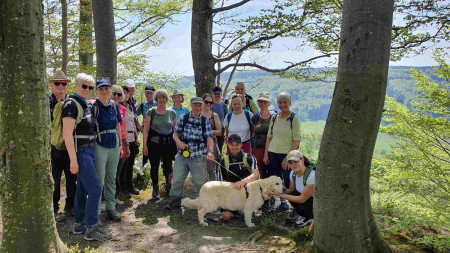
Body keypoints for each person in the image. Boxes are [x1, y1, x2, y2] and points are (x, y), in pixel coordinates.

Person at [64, 73, 111, 241]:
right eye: (84, 86)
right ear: (76, 86)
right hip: (81, 152)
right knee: (96, 188)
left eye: (91, 87)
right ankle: (92, 227)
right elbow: (67, 135)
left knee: (82, 189)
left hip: (90, 151)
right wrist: (73, 160)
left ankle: (80, 224)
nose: (88, 90)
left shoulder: (84, 104)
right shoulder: (71, 104)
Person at [166, 97, 215, 210]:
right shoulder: (184, 118)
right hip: (182, 155)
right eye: (195, 105)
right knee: (177, 179)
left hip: (198, 156)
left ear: (202, 106)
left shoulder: (205, 121)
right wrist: (178, 142)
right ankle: (175, 201)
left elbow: (209, 138)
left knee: (201, 181)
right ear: (191, 106)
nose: (198, 107)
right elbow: (175, 134)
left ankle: (204, 203)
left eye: (199, 105)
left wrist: (210, 151)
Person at [264, 92, 301, 213]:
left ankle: (297, 209)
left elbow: (296, 140)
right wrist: (266, 154)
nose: (283, 104)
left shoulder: (293, 118)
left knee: (289, 181)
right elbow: (269, 137)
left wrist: (288, 157)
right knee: (274, 181)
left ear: (289, 103)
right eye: (280, 102)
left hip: (287, 155)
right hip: (273, 153)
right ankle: (280, 203)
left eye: (285, 102)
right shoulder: (274, 117)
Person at [93, 78, 123, 222]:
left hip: (114, 145)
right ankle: (96, 212)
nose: (104, 92)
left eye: (106, 89)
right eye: (101, 89)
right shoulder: (94, 107)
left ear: (110, 90)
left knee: (111, 178)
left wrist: (121, 146)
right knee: (99, 179)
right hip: (100, 145)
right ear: (97, 91)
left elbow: (118, 125)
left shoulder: (115, 106)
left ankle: (111, 208)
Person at [49, 70, 76, 221]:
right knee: (55, 179)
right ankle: (54, 208)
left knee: (72, 178)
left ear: (67, 86)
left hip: (70, 148)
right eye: (57, 83)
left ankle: (70, 207)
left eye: (63, 83)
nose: (60, 86)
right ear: (51, 85)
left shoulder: (72, 103)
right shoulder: (46, 102)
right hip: (52, 149)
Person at [142, 89, 177, 200]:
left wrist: (177, 144)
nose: (161, 100)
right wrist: (145, 145)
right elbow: (146, 130)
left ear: (166, 99)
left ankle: (169, 185)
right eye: (159, 98)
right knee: (155, 166)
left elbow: (175, 130)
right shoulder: (151, 111)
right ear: (156, 99)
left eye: (163, 98)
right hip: (154, 144)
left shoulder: (172, 113)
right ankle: (155, 188)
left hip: (168, 144)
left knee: (168, 166)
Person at [268, 150, 314, 227]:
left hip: (313, 202)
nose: (293, 165)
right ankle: (304, 215)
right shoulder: (293, 173)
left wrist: (279, 194)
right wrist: (276, 189)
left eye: (295, 162)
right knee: (292, 194)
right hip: (305, 199)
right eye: (290, 162)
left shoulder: (311, 176)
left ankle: (310, 217)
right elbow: (291, 190)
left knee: (301, 204)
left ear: (302, 160)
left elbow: (302, 199)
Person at [219, 134, 259, 221]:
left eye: (237, 144)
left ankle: (246, 209)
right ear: (228, 145)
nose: (234, 147)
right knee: (225, 216)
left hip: (247, 194)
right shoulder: (223, 161)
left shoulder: (250, 158)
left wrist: (242, 182)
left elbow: (256, 175)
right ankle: (238, 212)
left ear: (241, 145)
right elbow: (222, 183)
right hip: (231, 194)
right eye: (232, 145)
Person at [111, 85, 130, 204]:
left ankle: (115, 196)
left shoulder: (122, 108)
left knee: (117, 171)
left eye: (119, 94)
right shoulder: (105, 106)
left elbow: (124, 127)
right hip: (110, 139)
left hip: (121, 140)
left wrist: (126, 144)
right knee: (109, 172)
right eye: (114, 93)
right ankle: (105, 198)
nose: (116, 96)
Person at [120, 86, 140, 198]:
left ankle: (130, 186)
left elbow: (133, 123)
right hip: (124, 138)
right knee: (124, 165)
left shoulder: (130, 107)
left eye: (127, 93)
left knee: (130, 164)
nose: (125, 95)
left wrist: (137, 137)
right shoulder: (118, 107)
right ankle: (123, 188)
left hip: (132, 138)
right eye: (123, 93)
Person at [251, 93, 276, 179]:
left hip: (271, 149)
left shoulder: (274, 117)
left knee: (272, 171)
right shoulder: (256, 117)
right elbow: (252, 132)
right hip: (257, 149)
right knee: (259, 172)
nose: (263, 104)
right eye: (260, 102)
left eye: (265, 102)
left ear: (269, 103)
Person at [201, 93, 222, 181]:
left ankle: (214, 188)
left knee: (211, 169)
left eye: (211, 103)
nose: (208, 104)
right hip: (199, 143)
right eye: (206, 102)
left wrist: (206, 132)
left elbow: (219, 131)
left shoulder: (214, 115)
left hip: (212, 144)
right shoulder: (196, 114)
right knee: (200, 168)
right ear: (202, 101)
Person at [137, 85, 157, 168]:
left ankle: (155, 168)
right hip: (146, 131)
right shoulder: (142, 105)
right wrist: (139, 126)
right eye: (147, 93)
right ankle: (144, 170)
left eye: (150, 93)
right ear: (145, 93)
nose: (148, 95)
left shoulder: (157, 104)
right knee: (145, 149)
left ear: (153, 94)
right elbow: (134, 115)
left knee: (155, 150)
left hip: (156, 131)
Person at [211, 86, 228, 154]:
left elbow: (227, 118)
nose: (217, 95)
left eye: (218, 94)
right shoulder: (210, 105)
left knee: (219, 148)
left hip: (221, 129)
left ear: (221, 94)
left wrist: (227, 133)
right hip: (211, 129)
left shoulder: (224, 106)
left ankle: (219, 162)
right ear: (213, 95)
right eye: (215, 94)